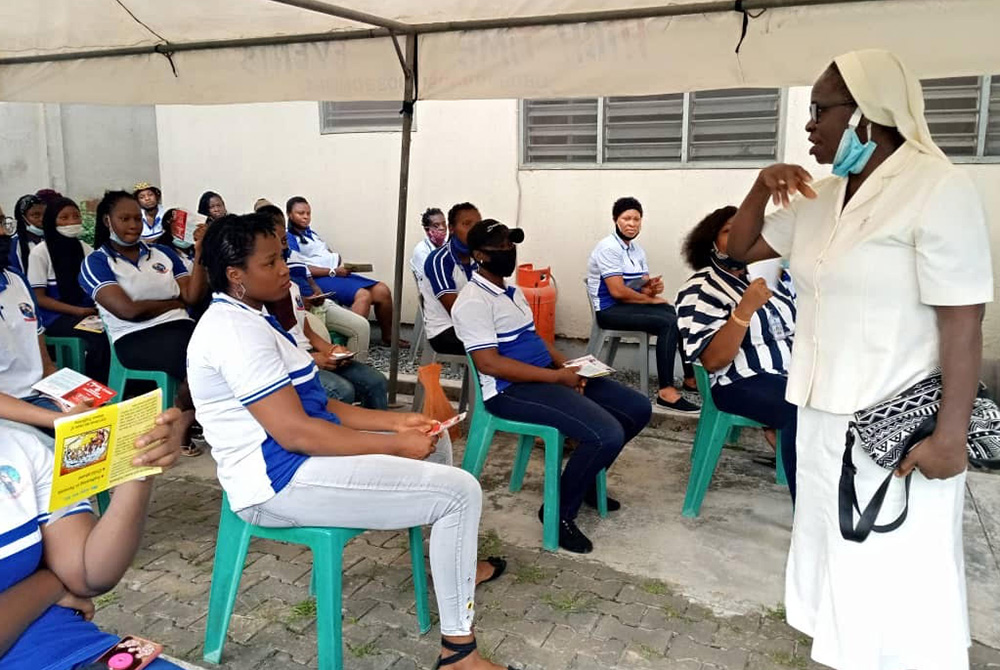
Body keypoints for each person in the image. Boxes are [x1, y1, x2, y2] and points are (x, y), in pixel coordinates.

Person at [726, 50, 992, 670]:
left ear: (866, 117)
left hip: (895, 422)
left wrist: (951, 436)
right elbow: (739, 248)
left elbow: (963, 319)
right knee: (835, 550)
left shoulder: (937, 187)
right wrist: (762, 184)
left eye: (820, 111)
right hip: (820, 412)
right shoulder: (819, 197)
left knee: (897, 560)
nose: (811, 127)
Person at [187, 214, 513, 670]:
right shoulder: (234, 332)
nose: (284, 268)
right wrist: (392, 445)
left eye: (282, 255)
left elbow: (324, 408)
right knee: (459, 493)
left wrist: (396, 424)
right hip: (278, 481)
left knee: (433, 442)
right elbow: (297, 432)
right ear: (235, 275)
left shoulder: (261, 318)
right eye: (271, 262)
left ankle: (450, 563)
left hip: (300, 460)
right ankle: (458, 654)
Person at [453, 220, 652, 554]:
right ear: (478, 256)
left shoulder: (512, 292)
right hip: (509, 390)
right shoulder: (473, 301)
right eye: (499, 248)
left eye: (510, 245)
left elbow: (537, 342)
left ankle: (585, 479)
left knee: (637, 408)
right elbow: (490, 364)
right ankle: (557, 514)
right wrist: (558, 379)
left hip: (544, 376)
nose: (508, 252)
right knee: (605, 433)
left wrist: (567, 365)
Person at [0, 408, 186, 669]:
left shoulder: (23, 447)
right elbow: (67, 579)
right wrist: (49, 584)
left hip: (79, 649)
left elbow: (88, 575)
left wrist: (137, 470)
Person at [675, 206, 797, 498]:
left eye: (749, 231)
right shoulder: (700, 289)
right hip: (738, 381)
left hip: (790, 372)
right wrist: (744, 310)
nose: (743, 236)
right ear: (711, 242)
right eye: (730, 231)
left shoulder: (776, 278)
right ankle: (810, 507)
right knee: (799, 411)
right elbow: (713, 361)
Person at [78, 191, 206, 453]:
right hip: (134, 337)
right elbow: (127, 311)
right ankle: (181, 424)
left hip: (180, 328)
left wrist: (200, 251)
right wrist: (173, 302)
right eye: (124, 218)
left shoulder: (162, 253)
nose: (133, 225)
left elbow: (191, 296)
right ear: (107, 221)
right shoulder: (97, 262)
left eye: (137, 218)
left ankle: (182, 417)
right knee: (200, 360)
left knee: (219, 346)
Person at [586, 197, 699, 414]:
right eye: (626, 218)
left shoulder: (637, 250)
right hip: (610, 310)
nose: (632, 223)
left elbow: (642, 288)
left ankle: (691, 379)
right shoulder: (608, 248)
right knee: (668, 323)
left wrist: (652, 289)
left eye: (636, 219)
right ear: (615, 220)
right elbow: (617, 291)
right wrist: (650, 300)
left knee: (681, 314)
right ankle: (666, 392)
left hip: (629, 305)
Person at [0, 228, 92, 435]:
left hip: (38, 398)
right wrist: (59, 419)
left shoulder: (17, 281)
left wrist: (75, 396)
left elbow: (45, 365)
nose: (3, 231)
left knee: (102, 428)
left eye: (1, 222)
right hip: (8, 414)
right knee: (52, 453)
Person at [285, 196, 407, 348]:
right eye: (300, 213)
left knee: (382, 290)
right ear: (290, 215)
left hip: (335, 273)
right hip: (320, 278)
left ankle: (388, 337)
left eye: (308, 213)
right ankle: (347, 342)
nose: (306, 217)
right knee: (364, 295)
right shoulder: (289, 237)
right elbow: (300, 267)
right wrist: (331, 271)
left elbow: (325, 254)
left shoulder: (312, 234)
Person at [256, 203, 372, 358]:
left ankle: (353, 367)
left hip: (316, 303)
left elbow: (309, 278)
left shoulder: (294, 253)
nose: (284, 245)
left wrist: (317, 292)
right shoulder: (265, 266)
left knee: (361, 326)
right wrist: (303, 301)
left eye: (284, 240)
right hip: (300, 309)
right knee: (321, 338)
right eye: (281, 240)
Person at [269, 265, 389, 410]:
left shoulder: (292, 288)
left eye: (282, 258)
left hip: (308, 354)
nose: (285, 268)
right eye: (271, 261)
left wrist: (332, 349)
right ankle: (335, 430)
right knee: (341, 391)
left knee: (376, 382)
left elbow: (307, 332)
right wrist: (312, 359)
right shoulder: (254, 305)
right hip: (291, 364)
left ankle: (375, 429)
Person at [27, 197, 110, 384]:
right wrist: (77, 311)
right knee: (98, 339)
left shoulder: (85, 249)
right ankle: (93, 388)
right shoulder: (41, 253)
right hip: (54, 318)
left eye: (76, 216)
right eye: (64, 218)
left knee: (114, 332)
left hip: (87, 313)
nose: (72, 222)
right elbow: (38, 298)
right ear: (51, 221)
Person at [420, 202, 480, 356]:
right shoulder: (439, 260)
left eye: (478, 225)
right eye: (467, 224)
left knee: (519, 337)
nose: (474, 230)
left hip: (474, 323)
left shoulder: (479, 257)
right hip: (445, 330)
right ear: (452, 228)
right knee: (503, 344)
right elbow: (455, 309)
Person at [410, 207, 447, 286]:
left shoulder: (447, 246)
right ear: (427, 230)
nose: (442, 228)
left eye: (444, 224)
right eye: (436, 225)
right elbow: (432, 278)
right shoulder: (421, 250)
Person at [9, 194, 45, 275]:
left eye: (45, 215)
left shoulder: (50, 240)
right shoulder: (13, 244)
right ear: (23, 218)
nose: (42, 219)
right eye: (36, 215)